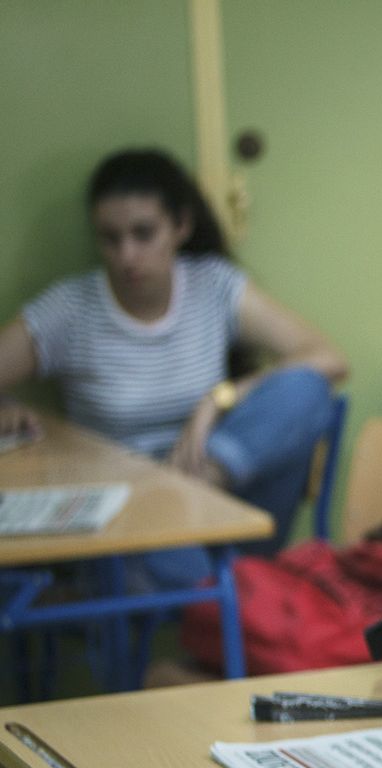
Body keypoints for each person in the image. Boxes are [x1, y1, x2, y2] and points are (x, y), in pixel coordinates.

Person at [0, 148, 347, 567]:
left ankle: (192, 493)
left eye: (143, 234)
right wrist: (8, 407)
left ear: (180, 226)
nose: (127, 255)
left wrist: (221, 398)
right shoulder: (70, 310)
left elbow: (328, 357)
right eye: (110, 238)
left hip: (221, 496)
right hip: (132, 520)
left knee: (305, 389)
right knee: (186, 573)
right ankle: (212, 568)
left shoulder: (214, 286)